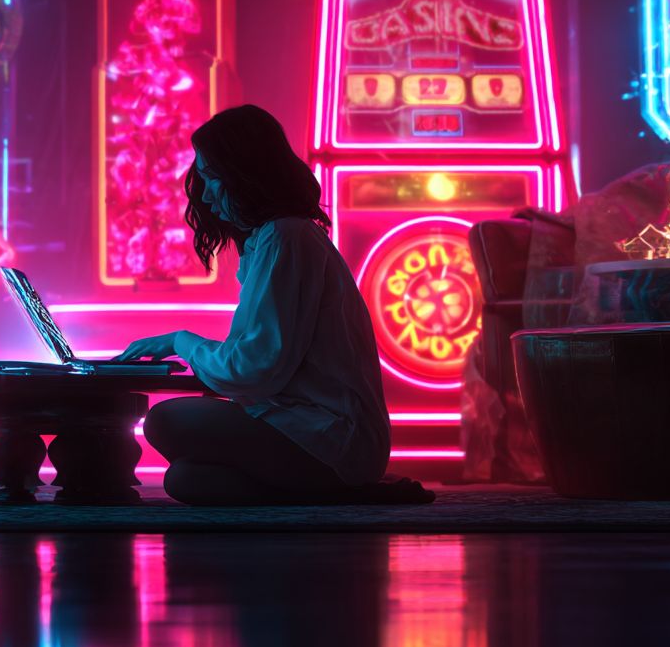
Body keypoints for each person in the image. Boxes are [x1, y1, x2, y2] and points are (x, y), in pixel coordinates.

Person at [115, 105, 433, 506]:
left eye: (213, 177)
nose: (206, 193)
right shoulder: (279, 238)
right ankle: (336, 494)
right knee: (185, 480)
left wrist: (183, 342)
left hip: (329, 436)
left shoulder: (286, 238)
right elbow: (259, 364)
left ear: (244, 173)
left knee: (163, 421)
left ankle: (342, 488)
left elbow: (256, 368)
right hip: (311, 431)